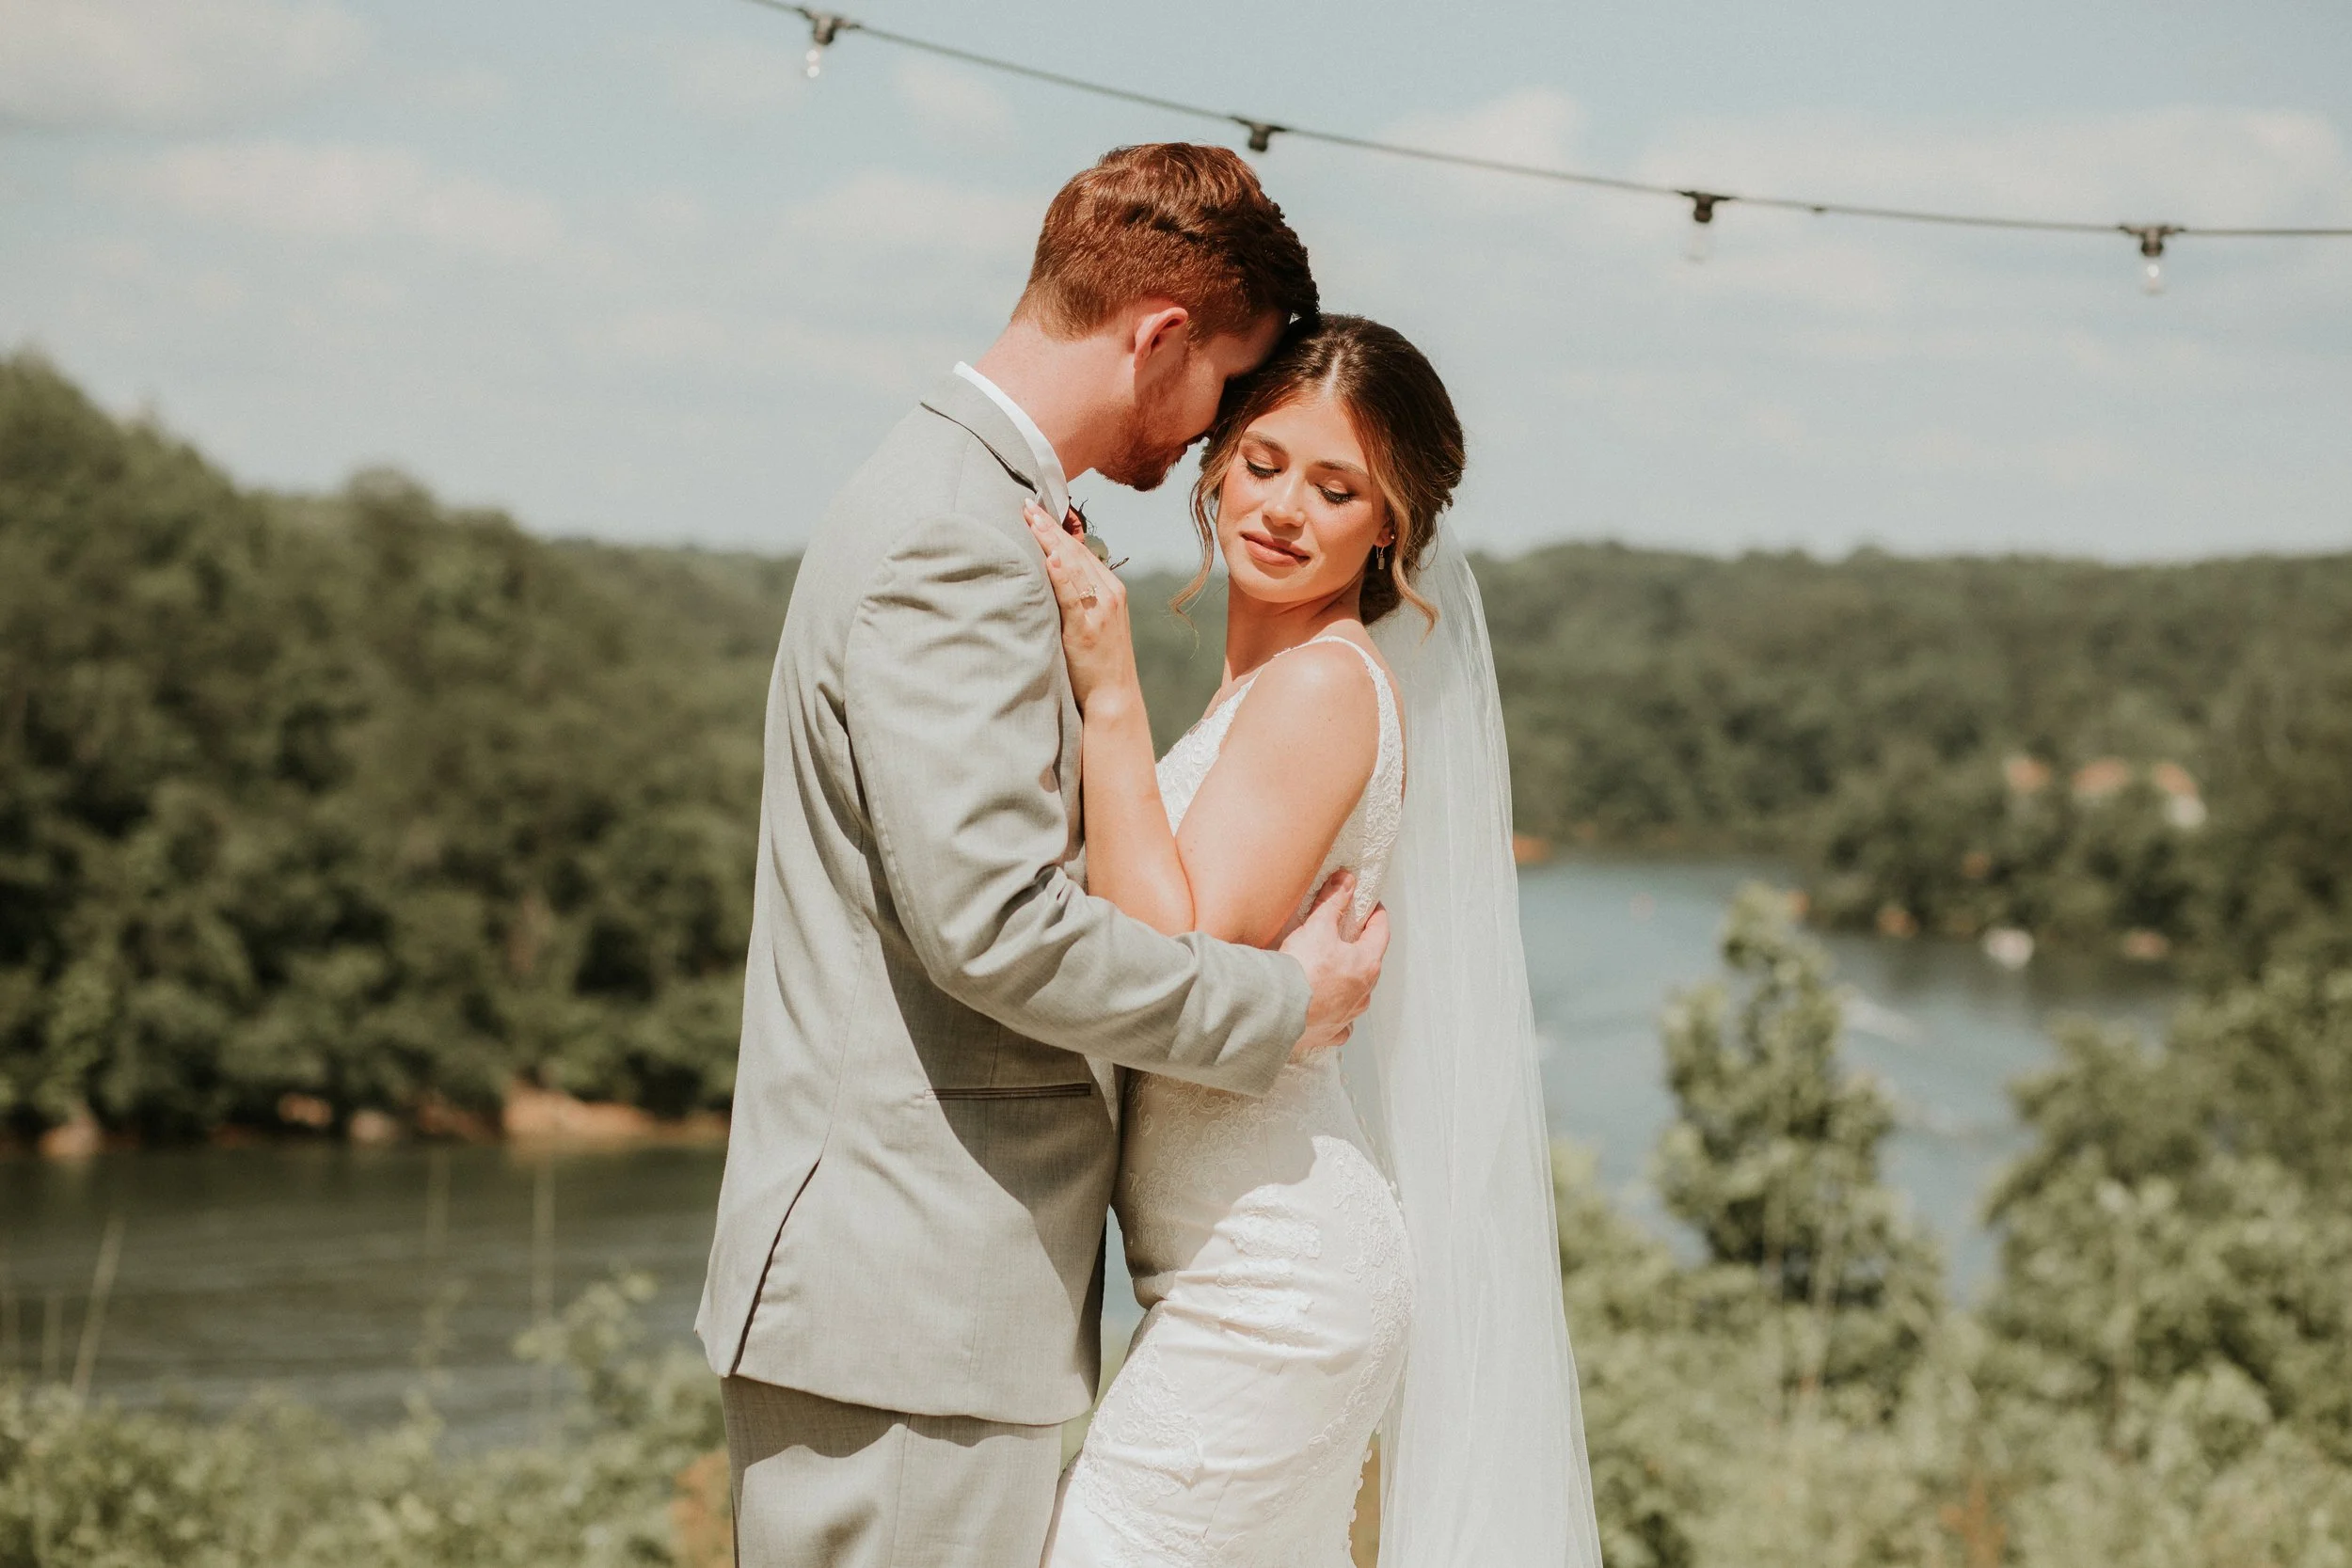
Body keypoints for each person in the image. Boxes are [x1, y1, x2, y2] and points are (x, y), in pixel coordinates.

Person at [694, 144, 1391, 1568]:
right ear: (1159, 340)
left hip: (935, 1307)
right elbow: (995, 927)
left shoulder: (963, 499)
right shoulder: (952, 539)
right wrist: (1279, 1007)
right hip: (908, 1303)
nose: (1213, 444)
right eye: (1226, 396)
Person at [1028, 316, 1603, 1566]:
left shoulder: (1320, 688)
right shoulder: (1266, 689)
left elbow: (1166, 957)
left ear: (1388, 527)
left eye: (1338, 487)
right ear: (1219, 459)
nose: (1286, 507)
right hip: (1240, 1269)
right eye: (1267, 459)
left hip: (1270, 1281)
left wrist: (1110, 685)